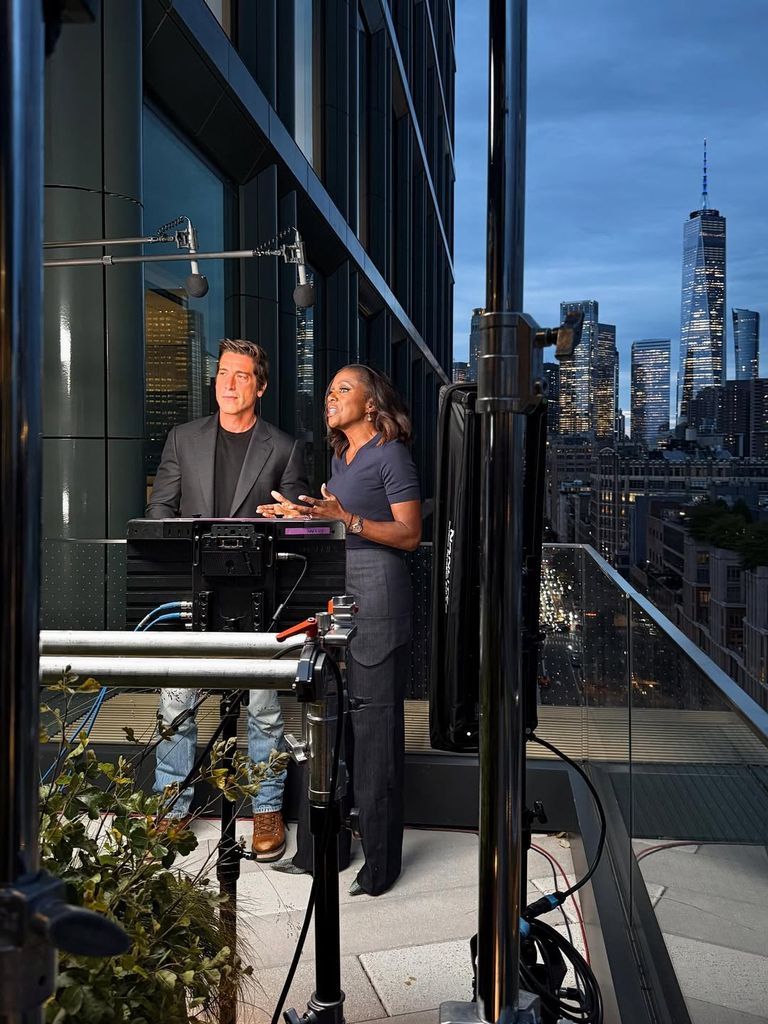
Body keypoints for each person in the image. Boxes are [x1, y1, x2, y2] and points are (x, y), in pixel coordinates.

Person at [260, 364, 421, 895]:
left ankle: (380, 869)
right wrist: (298, 516)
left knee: (374, 740)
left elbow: (409, 534)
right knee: (326, 730)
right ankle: (321, 854)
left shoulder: (391, 454)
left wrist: (347, 518)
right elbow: (337, 523)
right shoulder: (340, 456)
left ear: (371, 403)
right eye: (329, 390)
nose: (330, 396)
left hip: (379, 602)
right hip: (336, 601)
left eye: (343, 389)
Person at [146, 338, 309, 861]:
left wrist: (286, 521)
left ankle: (267, 809)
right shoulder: (183, 438)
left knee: (264, 708)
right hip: (193, 597)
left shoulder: (283, 448)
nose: (229, 384)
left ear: (260, 386)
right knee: (176, 703)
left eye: (241, 375)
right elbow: (159, 514)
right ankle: (171, 807)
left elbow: (297, 530)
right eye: (222, 373)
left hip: (259, 600)